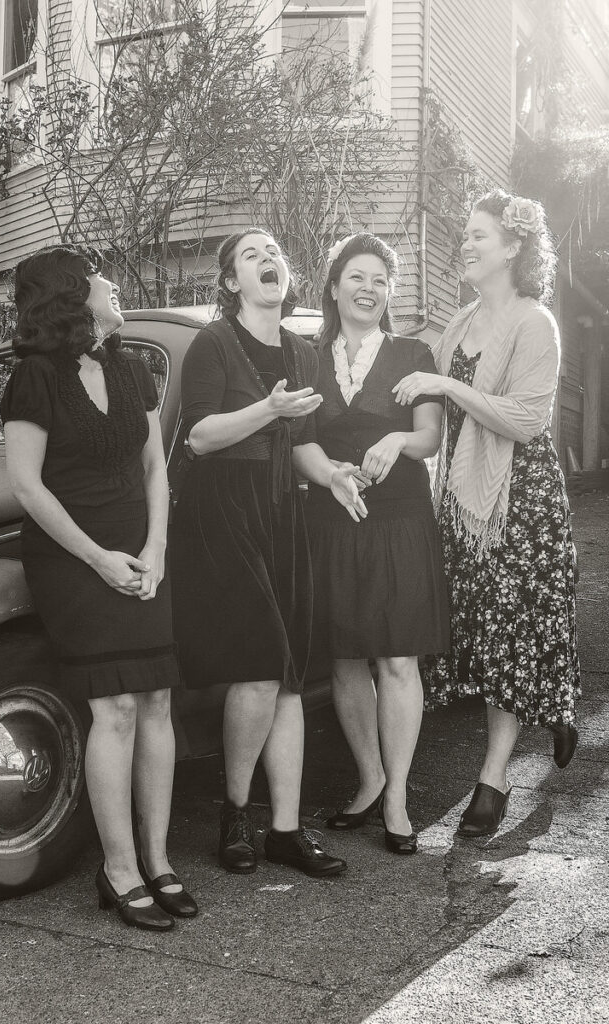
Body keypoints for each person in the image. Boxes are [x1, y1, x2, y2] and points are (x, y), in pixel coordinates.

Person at [1, 245, 196, 930]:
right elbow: (27, 487)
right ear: (71, 296)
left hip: (141, 555)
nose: (112, 283)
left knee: (155, 700)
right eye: (97, 276)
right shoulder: (34, 378)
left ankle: (158, 859)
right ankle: (118, 869)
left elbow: (153, 471)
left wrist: (155, 549)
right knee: (114, 706)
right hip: (73, 559)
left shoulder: (131, 367)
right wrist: (99, 559)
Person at [172, 229, 366, 878]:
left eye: (275, 254)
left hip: (285, 509)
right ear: (231, 282)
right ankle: (234, 813)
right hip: (223, 511)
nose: (269, 262)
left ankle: (285, 828)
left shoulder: (303, 353)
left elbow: (303, 441)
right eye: (252, 256)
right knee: (258, 665)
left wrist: (332, 474)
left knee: (287, 673)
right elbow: (199, 437)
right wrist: (268, 409)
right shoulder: (212, 344)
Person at [394, 190, 581, 838]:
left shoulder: (536, 323)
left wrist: (446, 386)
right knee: (488, 630)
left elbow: (528, 419)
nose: (465, 244)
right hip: (463, 497)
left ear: (513, 246)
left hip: (520, 501)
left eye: (479, 234)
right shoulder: (458, 323)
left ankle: (493, 778)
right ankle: (554, 703)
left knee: (510, 632)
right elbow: (429, 412)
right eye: (465, 234)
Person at [304, 232, 449, 855]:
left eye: (381, 281)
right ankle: (369, 779)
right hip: (334, 520)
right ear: (335, 287)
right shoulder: (307, 358)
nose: (370, 290)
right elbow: (299, 441)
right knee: (344, 658)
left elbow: (430, 436)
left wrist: (396, 442)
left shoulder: (412, 353)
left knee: (395, 658)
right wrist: (332, 474)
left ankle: (397, 798)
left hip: (398, 523)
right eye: (358, 277)